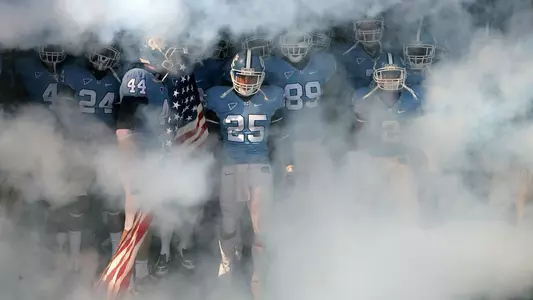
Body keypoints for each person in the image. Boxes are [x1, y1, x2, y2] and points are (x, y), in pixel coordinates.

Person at [115, 36, 203, 292]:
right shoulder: (138, 77)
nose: (173, 58)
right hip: (141, 163)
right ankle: (122, 284)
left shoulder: (161, 82)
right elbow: (124, 129)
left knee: (145, 224)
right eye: (168, 52)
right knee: (132, 226)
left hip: (155, 161)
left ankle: (139, 276)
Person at [204, 49, 292, 300]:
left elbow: (280, 138)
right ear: (232, 75)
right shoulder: (217, 97)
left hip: (260, 165)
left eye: (251, 78)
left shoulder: (271, 97)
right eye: (241, 77)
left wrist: (287, 166)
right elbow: (212, 139)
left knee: (260, 224)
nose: (246, 83)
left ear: (261, 77)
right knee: (229, 221)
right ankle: (227, 261)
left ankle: (258, 272)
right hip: (230, 166)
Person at [348, 53, 424, 222]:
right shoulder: (364, 98)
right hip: (374, 157)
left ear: (403, 75)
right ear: (377, 76)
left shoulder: (412, 98)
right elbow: (358, 134)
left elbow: (420, 134)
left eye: (394, 75)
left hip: (401, 158)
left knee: (407, 198)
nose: (390, 79)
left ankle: (410, 230)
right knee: (365, 199)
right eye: (385, 75)